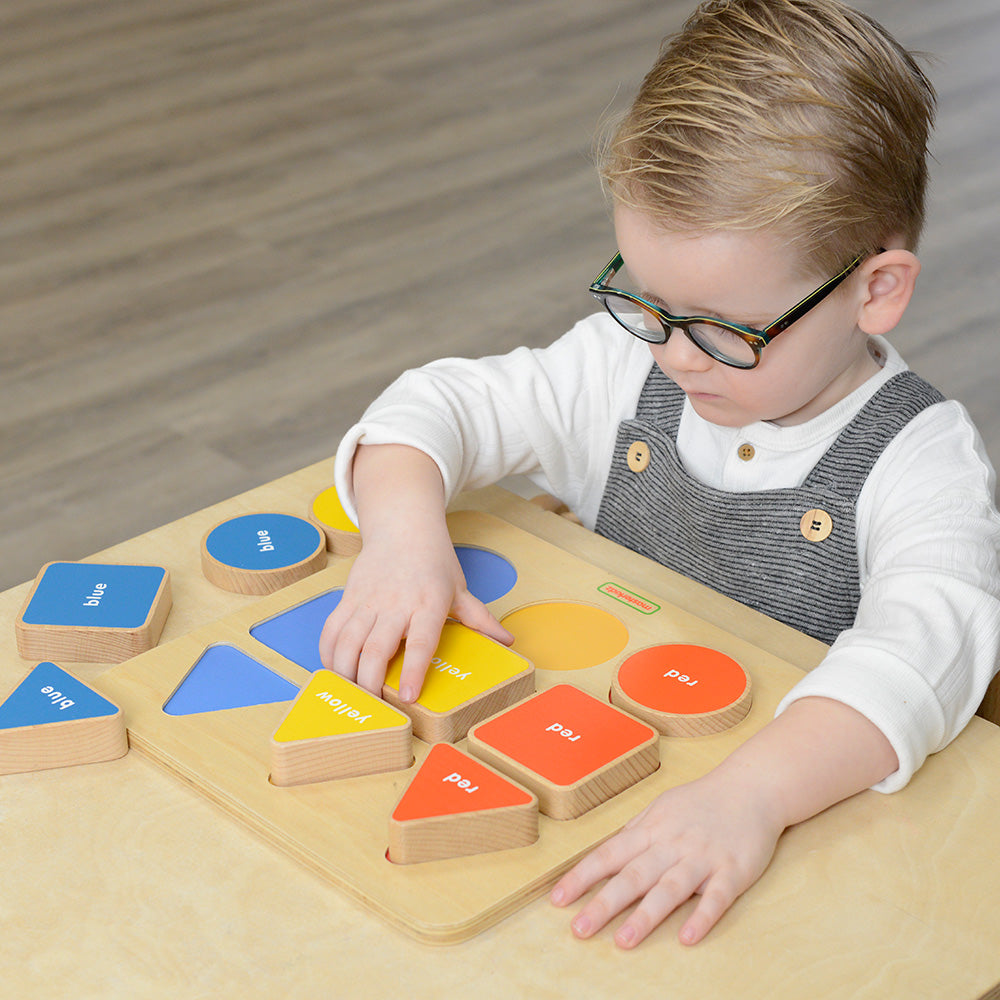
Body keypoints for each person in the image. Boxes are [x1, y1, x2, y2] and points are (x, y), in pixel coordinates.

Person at [318, 0, 1000, 949]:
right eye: (648, 299)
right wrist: (401, 542)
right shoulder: (621, 365)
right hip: (594, 790)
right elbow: (433, 408)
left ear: (874, 290)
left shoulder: (923, 463)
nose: (675, 355)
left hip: (780, 837)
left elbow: (917, 660)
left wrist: (754, 797)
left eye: (726, 328)